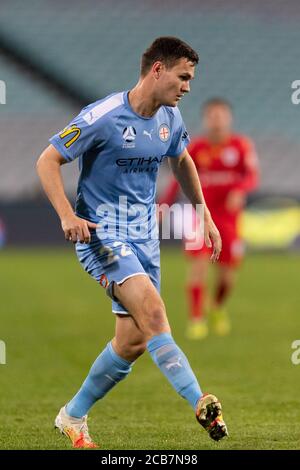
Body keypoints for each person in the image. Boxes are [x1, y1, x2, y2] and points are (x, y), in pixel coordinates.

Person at [36, 37, 228, 449]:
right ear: (157, 70)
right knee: (155, 312)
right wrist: (67, 216)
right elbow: (47, 159)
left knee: (134, 340)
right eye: (183, 76)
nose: (188, 87)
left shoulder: (170, 118)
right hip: (103, 234)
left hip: (145, 237)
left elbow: (181, 159)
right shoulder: (102, 116)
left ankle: (71, 415)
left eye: (190, 79)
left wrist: (205, 215)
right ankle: (201, 401)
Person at [159, 98, 259, 340]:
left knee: (226, 276)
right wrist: (164, 205)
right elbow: (177, 177)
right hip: (200, 215)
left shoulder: (241, 145)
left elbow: (252, 176)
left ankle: (216, 306)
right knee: (198, 265)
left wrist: (240, 190)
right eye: (212, 116)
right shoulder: (196, 148)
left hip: (229, 219)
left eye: (221, 115)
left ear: (229, 118)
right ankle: (196, 319)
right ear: (205, 119)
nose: (216, 120)